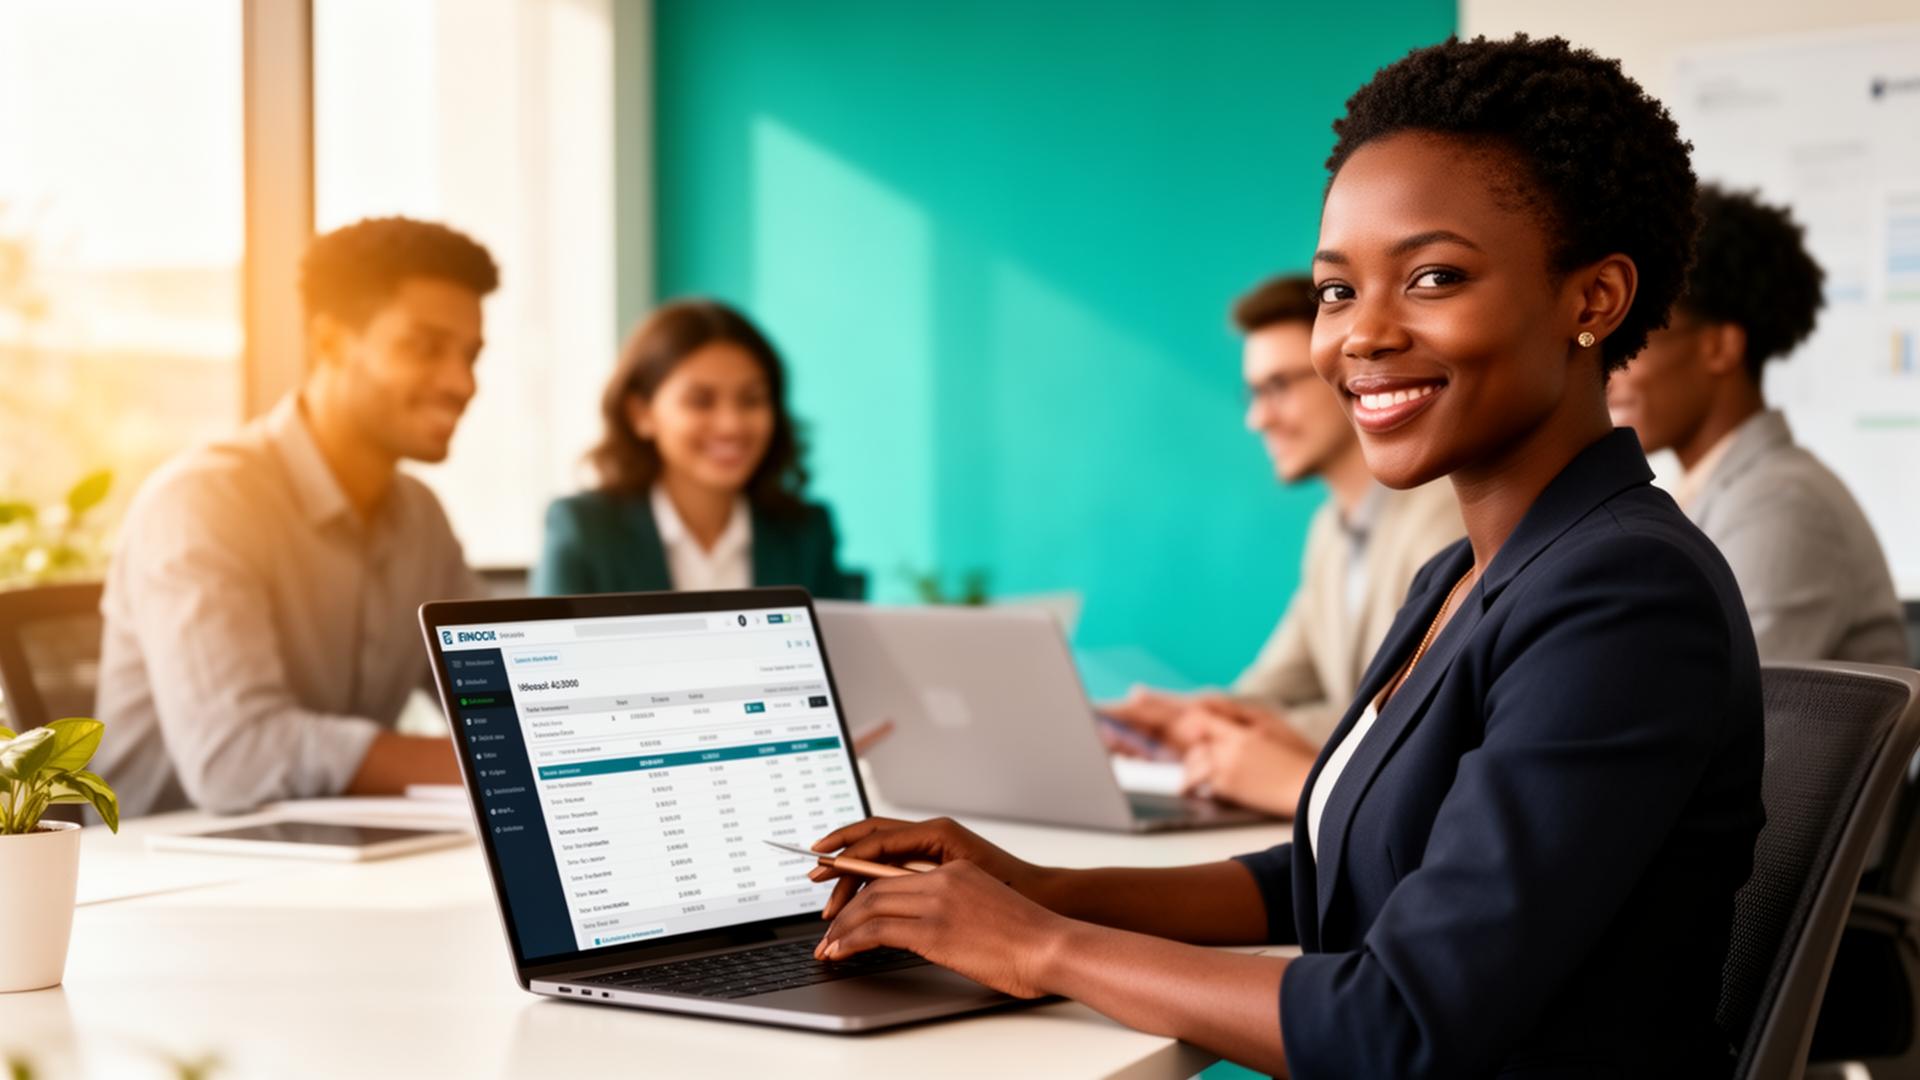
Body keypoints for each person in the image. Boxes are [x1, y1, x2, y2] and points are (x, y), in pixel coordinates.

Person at [802, 36, 1764, 1076]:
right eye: (1337, 290)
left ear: (1595, 299)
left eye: (1434, 277)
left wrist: (1043, 947)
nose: (1361, 335)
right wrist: (1037, 888)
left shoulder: (1624, 593)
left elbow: (1399, 1024)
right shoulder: (1465, 575)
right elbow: (1321, 875)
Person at [95, 217, 497, 816]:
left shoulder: (420, 516)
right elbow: (236, 758)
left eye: (470, 355)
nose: (462, 383)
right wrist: (489, 762)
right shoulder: (203, 501)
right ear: (329, 341)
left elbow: (493, 695)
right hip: (177, 856)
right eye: (424, 347)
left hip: (345, 844)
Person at [1101, 274, 1460, 816]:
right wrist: (1187, 718)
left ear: (1347, 372)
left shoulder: (1444, 516)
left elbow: (1419, 719)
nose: (1258, 417)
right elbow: (1276, 685)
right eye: (1254, 393)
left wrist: (1245, 738)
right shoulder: (1330, 533)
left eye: (1279, 387)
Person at [1608, 185, 1908, 665]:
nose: (1608, 371)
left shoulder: (1783, 504)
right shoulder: (1710, 493)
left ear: (1720, 347)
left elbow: (1699, 694)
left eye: (1634, 343)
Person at [534, 299, 856, 599]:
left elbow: (835, 642)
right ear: (641, 413)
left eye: (752, 399)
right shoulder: (585, 530)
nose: (731, 425)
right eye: (701, 401)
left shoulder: (806, 532)